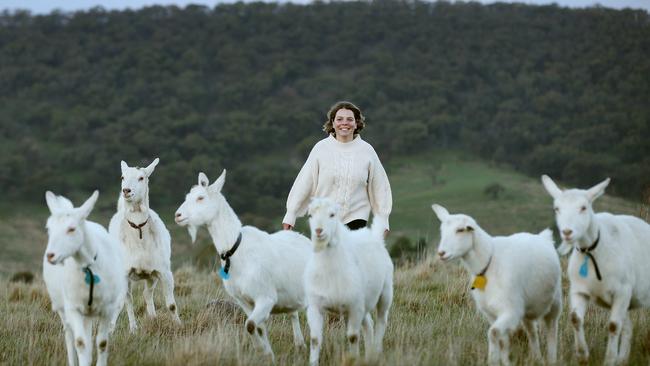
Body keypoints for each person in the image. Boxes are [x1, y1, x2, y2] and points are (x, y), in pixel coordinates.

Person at [282, 101, 392, 236]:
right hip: (323, 219)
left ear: (356, 123)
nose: (344, 123)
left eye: (350, 119)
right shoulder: (321, 149)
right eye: (339, 119)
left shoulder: (367, 151)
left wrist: (383, 220)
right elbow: (304, 182)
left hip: (356, 218)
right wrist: (291, 213)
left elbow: (380, 187)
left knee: (351, 256)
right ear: (333, 123)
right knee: (324, 256)